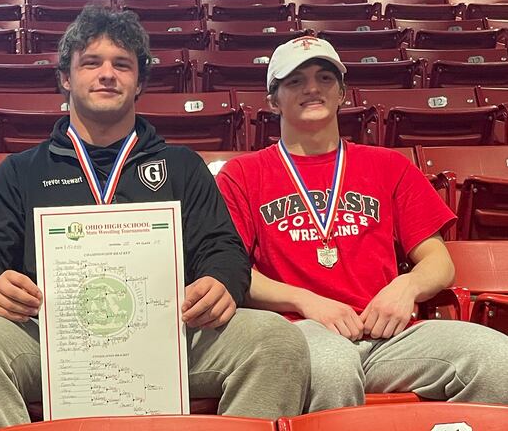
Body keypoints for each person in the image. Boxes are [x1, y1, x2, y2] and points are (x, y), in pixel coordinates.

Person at [0, 6, 310, 430]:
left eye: (122, 64)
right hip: (49, 342)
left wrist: (221, 282)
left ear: (139, 83)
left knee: (277, 341)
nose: (107, 74)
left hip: (171, 338)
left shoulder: (181, 166)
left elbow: (222, 247)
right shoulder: (21, 171)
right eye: (91, 63)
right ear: (65, 77)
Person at [216, 36, 508, 413]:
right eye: (294, 81)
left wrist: (407, 286)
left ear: (341, 92)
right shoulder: (242, 173)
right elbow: (234, 273)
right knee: (331, 367)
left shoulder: (390, 166)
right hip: (299, 330)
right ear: (273, 100)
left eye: (324, 78)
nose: (311, 89)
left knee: (496, 359)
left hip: (388, 336)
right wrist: (307, 302)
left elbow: (440, 262)